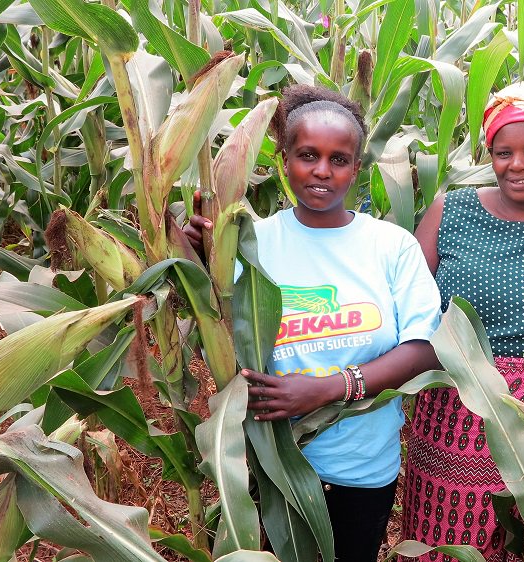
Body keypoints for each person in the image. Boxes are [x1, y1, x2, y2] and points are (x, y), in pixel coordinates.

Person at [186, 84, 441, 562]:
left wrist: (327, 389)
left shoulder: (391, 246)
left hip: (363, 466)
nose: (322, 171)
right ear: (284, 159)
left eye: (339, 159)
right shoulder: (251, 243)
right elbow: (215, 319)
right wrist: (189, 253)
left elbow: (423, 347)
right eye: (307, 155)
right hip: (273, 462)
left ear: (357, 168)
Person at [400, 81, 524, 562]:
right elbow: (405, 300)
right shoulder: (451, 209)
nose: (517, 164)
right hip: (453, 403)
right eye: (502, 151)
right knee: (442, 536)